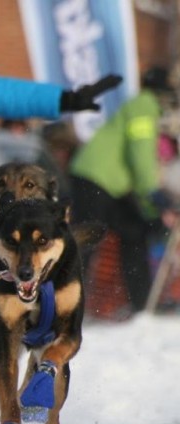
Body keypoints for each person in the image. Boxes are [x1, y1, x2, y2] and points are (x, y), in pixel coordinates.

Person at [70, 66, 178, 314]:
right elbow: (140, 158)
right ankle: (68, 306)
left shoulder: (143, 105)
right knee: (86, 240)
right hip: (95, 177)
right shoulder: (144, 107)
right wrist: (155, 197)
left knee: (135, 232)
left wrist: (152, 206)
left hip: (109, 183)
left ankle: (141, 304)